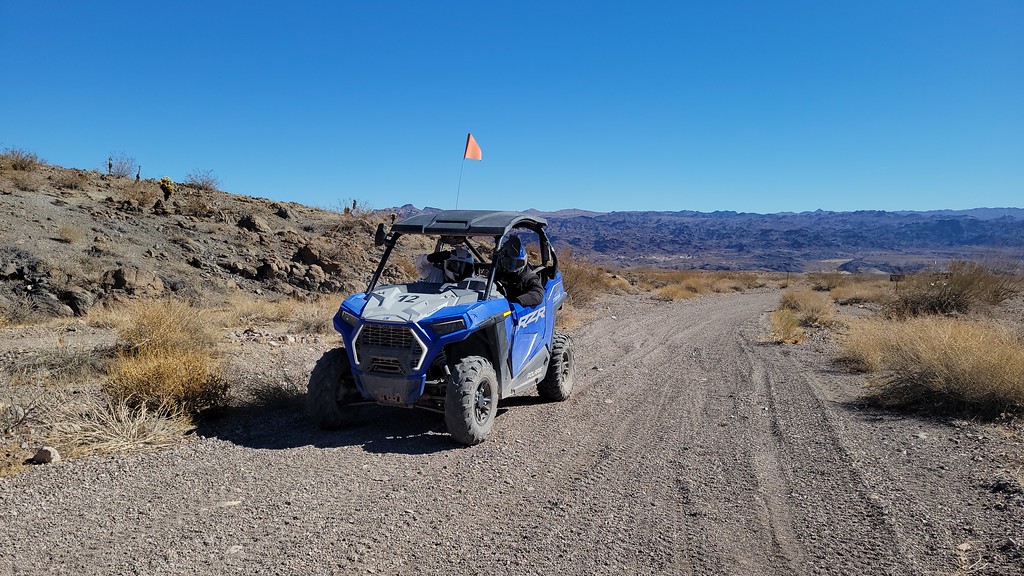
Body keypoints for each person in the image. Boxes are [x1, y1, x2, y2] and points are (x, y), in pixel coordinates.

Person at [496, 236, 544, 307]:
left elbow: (538, 293)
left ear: (524, 260)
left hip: (514, 306)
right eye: (508, 262)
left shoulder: (529, 277)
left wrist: (517, 301)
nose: (513, 267)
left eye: (517, 263)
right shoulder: (500, 271)